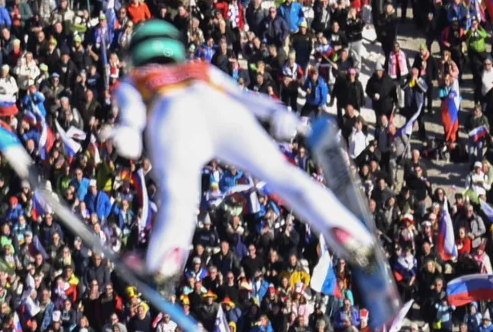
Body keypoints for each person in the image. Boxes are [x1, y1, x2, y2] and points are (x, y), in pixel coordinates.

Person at [105, 20, 377, 285]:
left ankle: (166, 256)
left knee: (180, 197)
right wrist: (276, 111)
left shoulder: (135, 79)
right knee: (282, 174)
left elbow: (132, 113)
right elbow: (241, 94)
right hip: (221, 109)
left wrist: (128, 133)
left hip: (171, 118)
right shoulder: (198, 68)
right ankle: (347, 232)